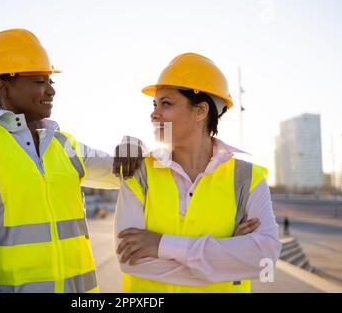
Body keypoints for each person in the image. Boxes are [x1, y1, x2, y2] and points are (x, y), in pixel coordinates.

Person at [0, 28, 142, 293]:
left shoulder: (63, 145)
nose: (51, 90)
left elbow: (126, 172)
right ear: (4, 87)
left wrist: (135, 145)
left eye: (51, 81)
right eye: (40, 81)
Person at [115, 53, 282, 293]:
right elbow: (130, 261)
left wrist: (161, 245)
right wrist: (229, 255)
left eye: (166, 104)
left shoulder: (248, 178)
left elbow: (264, 260)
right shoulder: (138, 171)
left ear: (200, 111)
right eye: (154, 104)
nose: (154, 114)